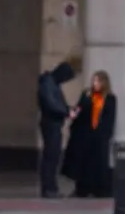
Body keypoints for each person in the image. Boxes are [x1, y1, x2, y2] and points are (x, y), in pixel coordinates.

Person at [61, 70, 117, 199]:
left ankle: (99, 189)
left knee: (98, 163)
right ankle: (82, 188)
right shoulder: (87, 94)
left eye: (98, 81)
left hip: (100, 136)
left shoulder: (110, 98)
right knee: (84, 162)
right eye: (94, 80)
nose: (95, 83)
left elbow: (110, 118)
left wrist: (105, 134)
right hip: (85, 134)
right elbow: (79, 110)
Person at [37, 61, 77, 198]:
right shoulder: (48, 84)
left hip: (53, 123)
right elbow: (51, 104)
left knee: (53, 156)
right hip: (51, 123)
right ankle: (48, 188)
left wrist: (67, 109)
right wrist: (66, 112)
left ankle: (51, 187)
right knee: (51, 156)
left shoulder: (52, 83)